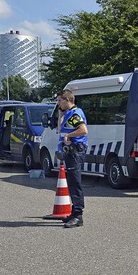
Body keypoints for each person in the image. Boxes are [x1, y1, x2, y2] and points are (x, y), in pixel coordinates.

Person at [57, 90, 89, 228]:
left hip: (75, 151)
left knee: (75, 182)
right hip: (70, 152)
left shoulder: (75, 113)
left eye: (59, 101)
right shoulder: (68, 113)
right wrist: (60, 112)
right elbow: (60, 128)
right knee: (71, 182)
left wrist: (69, 136)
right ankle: (74, 212)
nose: (58, 103)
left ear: (67, 100)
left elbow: (83, 130)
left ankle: (78, 215)